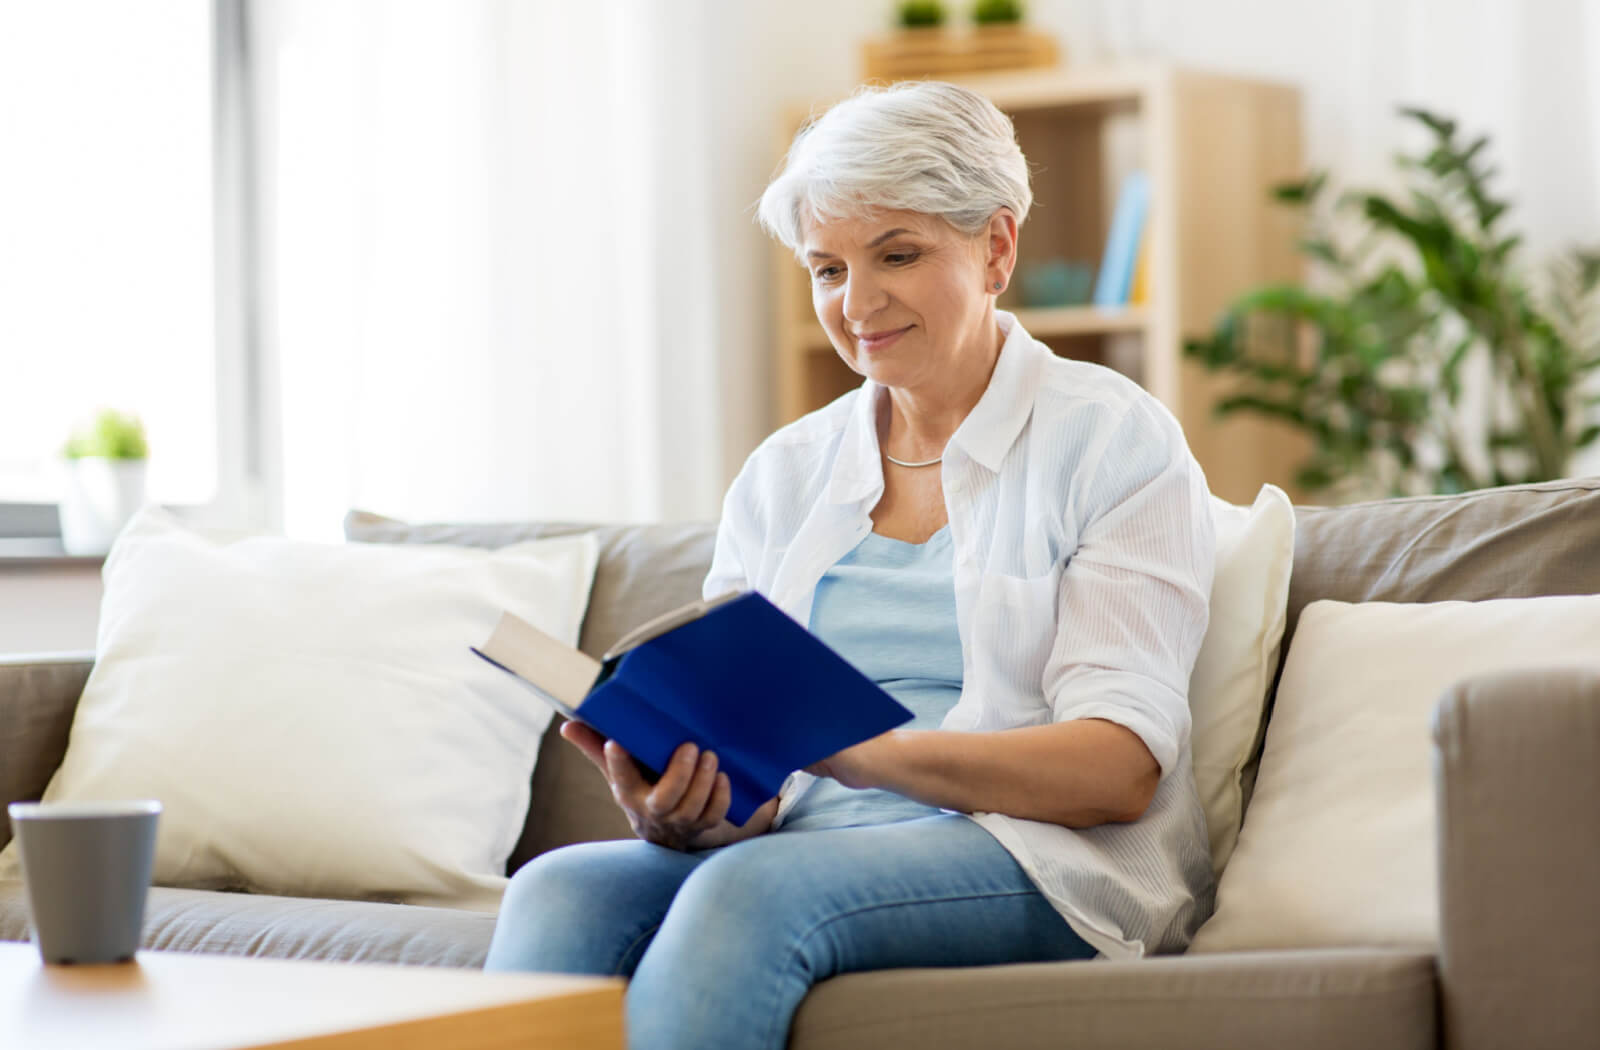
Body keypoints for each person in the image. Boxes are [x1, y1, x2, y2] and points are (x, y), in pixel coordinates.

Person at [485, 80, 1217, 1049]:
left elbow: (1116, 770)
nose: (857, 303)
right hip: (804, 846)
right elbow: (756, 781)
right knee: (559, 889)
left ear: (995, 248)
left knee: (749, 897)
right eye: (827, 269)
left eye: (897, 255)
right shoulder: (784, 474)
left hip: (1035, 855)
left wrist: (867, 754)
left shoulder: (1110, 440)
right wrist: (688, 808)